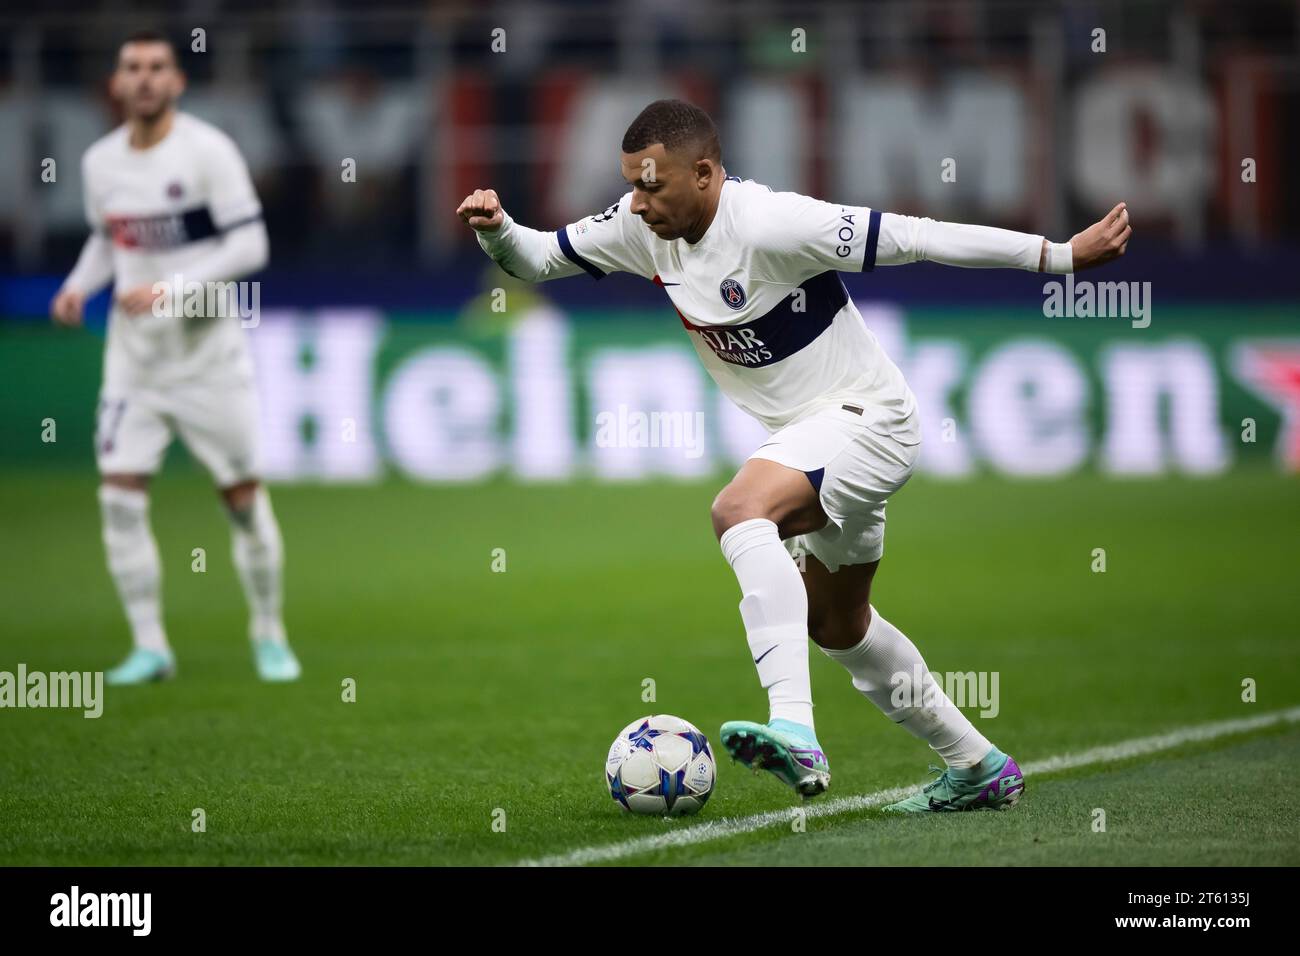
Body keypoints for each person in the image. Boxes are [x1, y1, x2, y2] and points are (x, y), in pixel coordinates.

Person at [457, 99, 1130, 811]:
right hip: (813, 440)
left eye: (653, 185)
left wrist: (1059, 256)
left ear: (706, 173)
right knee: (839, 625)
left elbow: (917, 236)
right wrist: (497, 229)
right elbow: (533, 257)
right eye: (631, 184)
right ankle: (977, 765)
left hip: (869, 421)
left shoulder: (773, 224)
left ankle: (796, 729)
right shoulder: (638, 229)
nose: (638, 201)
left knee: (739, 510)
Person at [51, 31, 300, 685]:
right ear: (116, 83)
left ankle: (269, 633)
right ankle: (150, 646)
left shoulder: (208, 152)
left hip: (209, 359)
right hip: (134, 364)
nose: (144, 78)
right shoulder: (100, 163)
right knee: (119, 499)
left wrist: (173, 288)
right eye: (131, 67)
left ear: (177, 82)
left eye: (157, 67)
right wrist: (80, 286)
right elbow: (107, 241)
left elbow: (251, 246)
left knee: (242, 500)